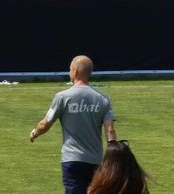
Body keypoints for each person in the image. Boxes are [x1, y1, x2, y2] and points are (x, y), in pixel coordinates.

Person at [30, 55, 117, 194]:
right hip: (95, 160)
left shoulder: (62, 97)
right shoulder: (103, 99)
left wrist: (34, 133)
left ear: (75, 71)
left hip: (72, 159)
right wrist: (115, 154)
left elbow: (46, 123)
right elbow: (110, 131)